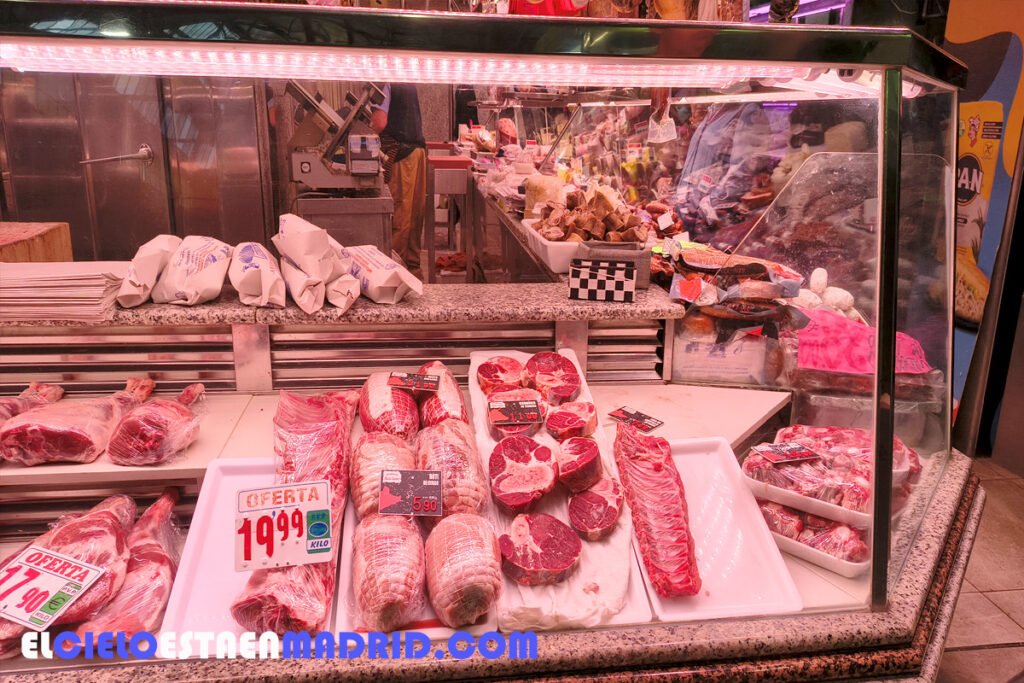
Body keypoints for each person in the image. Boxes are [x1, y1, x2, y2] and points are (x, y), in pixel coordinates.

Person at [371, 83, 426, 278]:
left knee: (399, 218)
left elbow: (379, 123)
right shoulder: (404, 77)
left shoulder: (383, 80)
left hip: (401, 156)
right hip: (417, 152)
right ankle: (414, 273)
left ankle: (396, 277)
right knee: (414, 218)